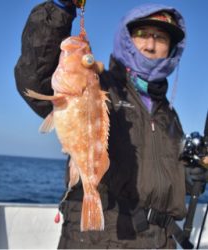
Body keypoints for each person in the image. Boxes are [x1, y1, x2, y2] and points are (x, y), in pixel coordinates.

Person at [14, 1, 208, 248]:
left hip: (160, 241)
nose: (150, 44)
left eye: (160, 37)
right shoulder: (100, 85)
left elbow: (156, 178)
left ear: (171, 48)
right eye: (142, 34)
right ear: (127, 39)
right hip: (100, 237)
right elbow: (35, 78)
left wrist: (190, 177)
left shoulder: (169, 116)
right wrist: (60, 10)